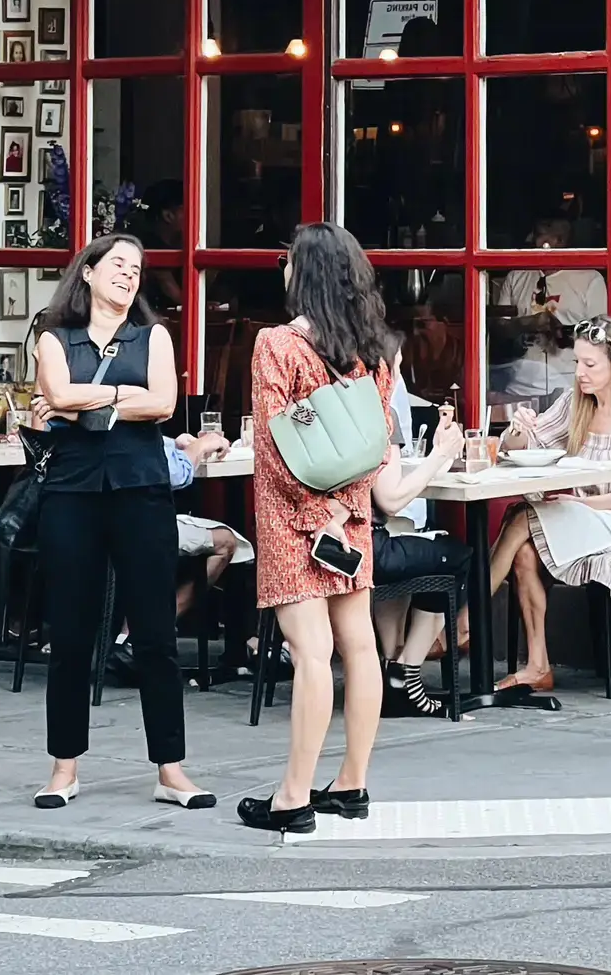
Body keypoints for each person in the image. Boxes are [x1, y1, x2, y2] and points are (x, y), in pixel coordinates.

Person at [31, 234, 213, 812]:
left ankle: (171, 769)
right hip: (72, 491)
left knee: (156, 634)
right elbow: (53, 390)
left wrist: (87, 403)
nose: (129, 275)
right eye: (117, 265)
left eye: (137, 268)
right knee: (71, 632)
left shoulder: (152, 335)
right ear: (86, 272)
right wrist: (116, 395)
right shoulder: (53, 337)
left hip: (141, 491)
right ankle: (63, 768)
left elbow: (162, 402)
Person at [239, 224, 398, 838]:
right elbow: (374, 444)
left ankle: (292, 797)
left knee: (310, 653)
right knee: (359, 646)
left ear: (303, 275)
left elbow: (274, 444)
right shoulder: (376, 351)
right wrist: (345, 510)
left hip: (291, 519)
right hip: (351, 517)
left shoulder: (276, 345)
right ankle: (352, 783)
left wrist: (311, 515)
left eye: (287, 262)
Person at [489, 316, 611, 696]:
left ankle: (465, 625)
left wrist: (583, 503)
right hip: (581, 520)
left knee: (520, 515)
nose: (579, 372)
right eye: (577, 362)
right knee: (525, 552)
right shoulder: (577, 403)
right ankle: (537, 666)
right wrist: (517, 430)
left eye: (589, 364)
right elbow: (526, 449)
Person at [98, 426, 254, 687]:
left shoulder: (93, 418)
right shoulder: (135, 413)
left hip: (94, 523)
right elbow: (175, 474)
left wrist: (174, 442)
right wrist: (202, 445)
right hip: (138, 523)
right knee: (226, 542)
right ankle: (143, 635)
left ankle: (131, 637)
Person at [371, 367, 468, 717]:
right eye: (395, 366)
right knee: (456, 556)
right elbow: (391, 500)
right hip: (362, 548)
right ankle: (405, 673)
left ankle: (391, 664)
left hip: (318, 545)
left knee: (410, 543)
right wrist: (441, 454)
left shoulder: (327, 407)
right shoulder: (380, 413)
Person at [488, 217, 607, 411]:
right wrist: (525, 324)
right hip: (518, 387)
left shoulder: (590, 278)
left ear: (558, 242)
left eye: (538, 235)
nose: (530, 240)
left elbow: (602, 335)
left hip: (570, 384)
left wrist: (561, 332)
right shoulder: (517, 276)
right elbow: (497, 333)